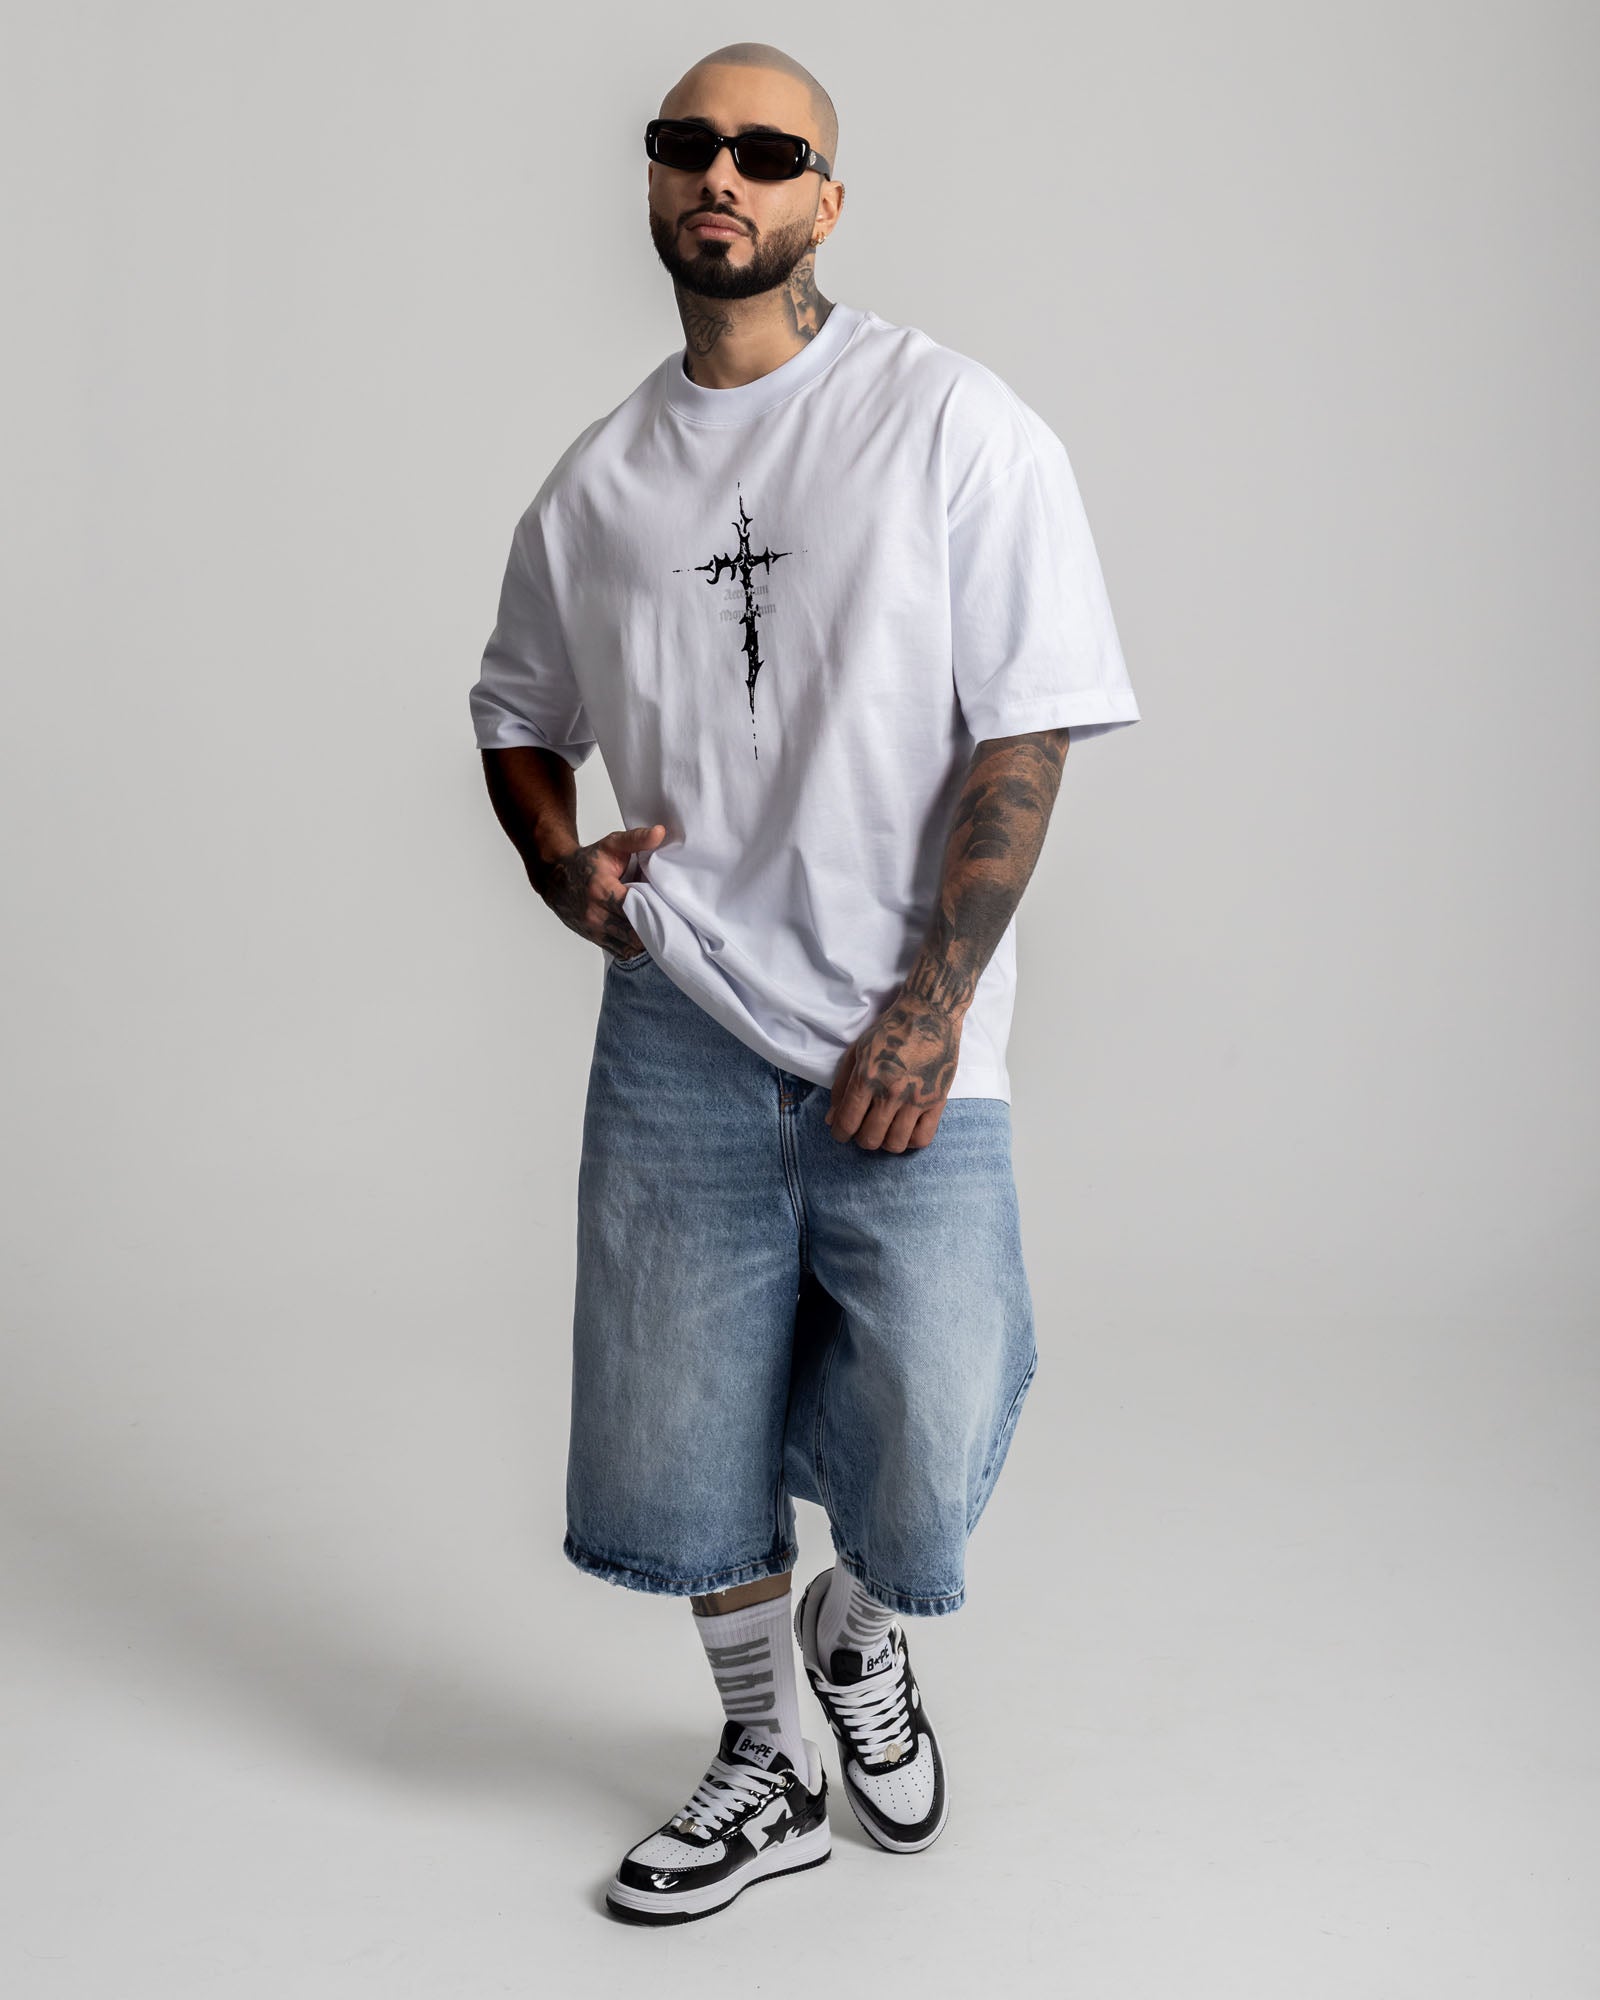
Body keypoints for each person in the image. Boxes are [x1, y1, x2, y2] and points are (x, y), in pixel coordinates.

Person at [468, 41, 1140, 1925]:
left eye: (770, 153)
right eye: (689, 144)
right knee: (681, 1426)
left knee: (944, 1393)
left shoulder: (954, 426)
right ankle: (765, 1754)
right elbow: (515, 709)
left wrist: (935, 1000)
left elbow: (1026, 729)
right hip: (682, 1016)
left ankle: (859, 1636)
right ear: (653, 180)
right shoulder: (600, 483)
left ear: (826, 200)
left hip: (900, 1021)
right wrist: (560, 865)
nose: (725, 176)